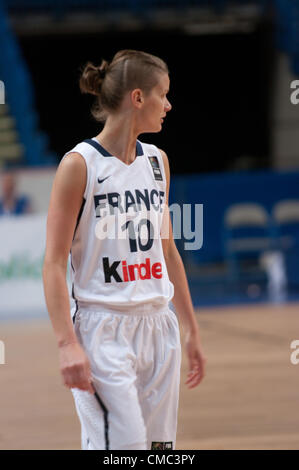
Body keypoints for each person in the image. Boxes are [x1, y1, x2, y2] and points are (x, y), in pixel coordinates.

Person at [42, 49, 206, 450]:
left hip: (158, 325)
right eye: (162, 94)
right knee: (122, 449)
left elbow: (167, 252)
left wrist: (190, 328)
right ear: (137, 97)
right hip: (104, 330)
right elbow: (53, 263)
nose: (168, 105)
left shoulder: (157, 162)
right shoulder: (79, 165)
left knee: (156, 451)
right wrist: (67, 344)